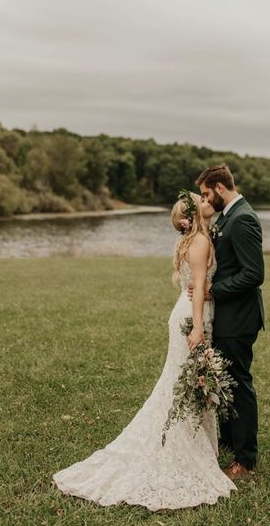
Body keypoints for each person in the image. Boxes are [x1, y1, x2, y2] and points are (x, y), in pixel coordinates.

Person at [52, 190, 237, 511]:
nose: (208, 203)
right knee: (185, 383)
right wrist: (196, 328)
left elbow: (194, 283)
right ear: (191, 216)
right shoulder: (201, 242)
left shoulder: (198, 238)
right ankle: (182, 444)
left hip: (191, 313)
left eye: (207, 198)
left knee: (187, 382)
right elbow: (195, 292)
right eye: (202, 201)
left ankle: (197, 440)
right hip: (192, 319)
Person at [189, 164, 265, 480]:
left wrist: (213, 290)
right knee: (226, 383)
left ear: (220, 188)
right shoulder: (227, 216)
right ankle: (230, 440)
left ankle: (245, 460)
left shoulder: (243, 218)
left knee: (239, 384)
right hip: (226, 318)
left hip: (239, 319)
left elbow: (254, 273)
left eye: (207, 193)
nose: (205, 199)